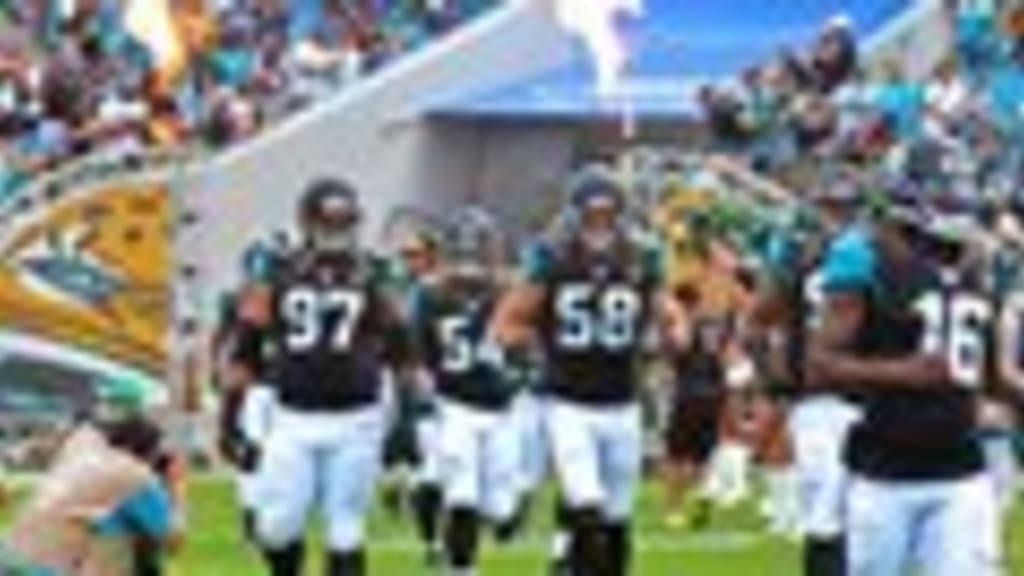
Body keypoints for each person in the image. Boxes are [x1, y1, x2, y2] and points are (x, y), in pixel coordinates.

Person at [492, 165, 689, 576]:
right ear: (575, 215)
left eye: (607, 216)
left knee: (617, 517)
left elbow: (670, 312)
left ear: (620, 214)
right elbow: (507, 322)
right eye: (592, 216)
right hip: (569, 401)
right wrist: (536, 345)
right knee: (586, 504)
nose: (600, 226)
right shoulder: (553, 258)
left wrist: (675, 332)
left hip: (623, 400)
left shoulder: (640, 257)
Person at [230, 177, 414, 576]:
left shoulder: (376, 273)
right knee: (276, 528)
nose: (337, 232)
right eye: (329, 223)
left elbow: (402, 351)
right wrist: (233, 417)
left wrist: (407, 422)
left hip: (357, 417)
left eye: (344, 223)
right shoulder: (278, 270)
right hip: (292, 416)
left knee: (345, 529)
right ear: (307, 222)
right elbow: (246, 345)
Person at [810, 200, 1002, 576]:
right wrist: (899, 372)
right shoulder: (867, 265)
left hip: (961, 470)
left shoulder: (976, 276)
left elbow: (990, 374)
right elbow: (820, 363)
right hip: (885, 472)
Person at [411, 207, 523, 575]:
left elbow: (529, 344)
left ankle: (481, 529)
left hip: (502, 410)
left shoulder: (510, 292)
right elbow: (417, 354)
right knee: (463, 494)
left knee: (500, 509)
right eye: (465, 250)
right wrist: (423, 389)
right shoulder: (430, 296)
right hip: (454, 406)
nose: (472, 260)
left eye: (478, 250)